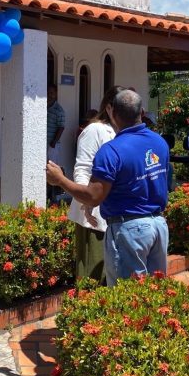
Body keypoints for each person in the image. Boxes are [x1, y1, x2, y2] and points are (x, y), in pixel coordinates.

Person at [46, 89, 169, 285]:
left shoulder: (113, 149)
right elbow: (84, 168)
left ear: (113, 111)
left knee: (126, 295)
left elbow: (94, 195)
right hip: (155, 226)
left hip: (128, 228)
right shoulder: (159, 142)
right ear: (142, 112)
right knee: (152, 291)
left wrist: (60, 180)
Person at [68, 86, 124, 284]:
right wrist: (86, 202)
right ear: (109, 108)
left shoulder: (122, 132)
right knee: (93, 270)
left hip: (115, 213)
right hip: (93, 213)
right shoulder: (95, 130)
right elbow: (82, 168)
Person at [46, 83, 65, 202]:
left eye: (52, 93)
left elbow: (61, 127)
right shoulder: (43, 106)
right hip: (42, 144)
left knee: (51, 170)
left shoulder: (59, 110)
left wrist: (53, 142)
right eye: (48, 92)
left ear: (56, 94)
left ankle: (52, 198)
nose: (50, 95)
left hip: (52, 145)